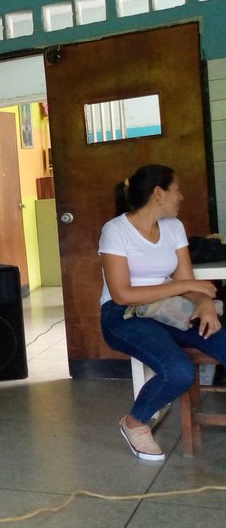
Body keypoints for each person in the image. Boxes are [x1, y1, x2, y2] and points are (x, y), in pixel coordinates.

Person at [99, 164, 226, 461]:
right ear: (158, 194)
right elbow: (122, 293)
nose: (180, 196)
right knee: (178, 370)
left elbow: (186, 283)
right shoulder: (115, 231)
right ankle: (135, 422)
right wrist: (184, 287)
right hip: (123, 315)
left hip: (169, 309)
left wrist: (204, 303)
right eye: (176, 189)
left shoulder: (174, 227)